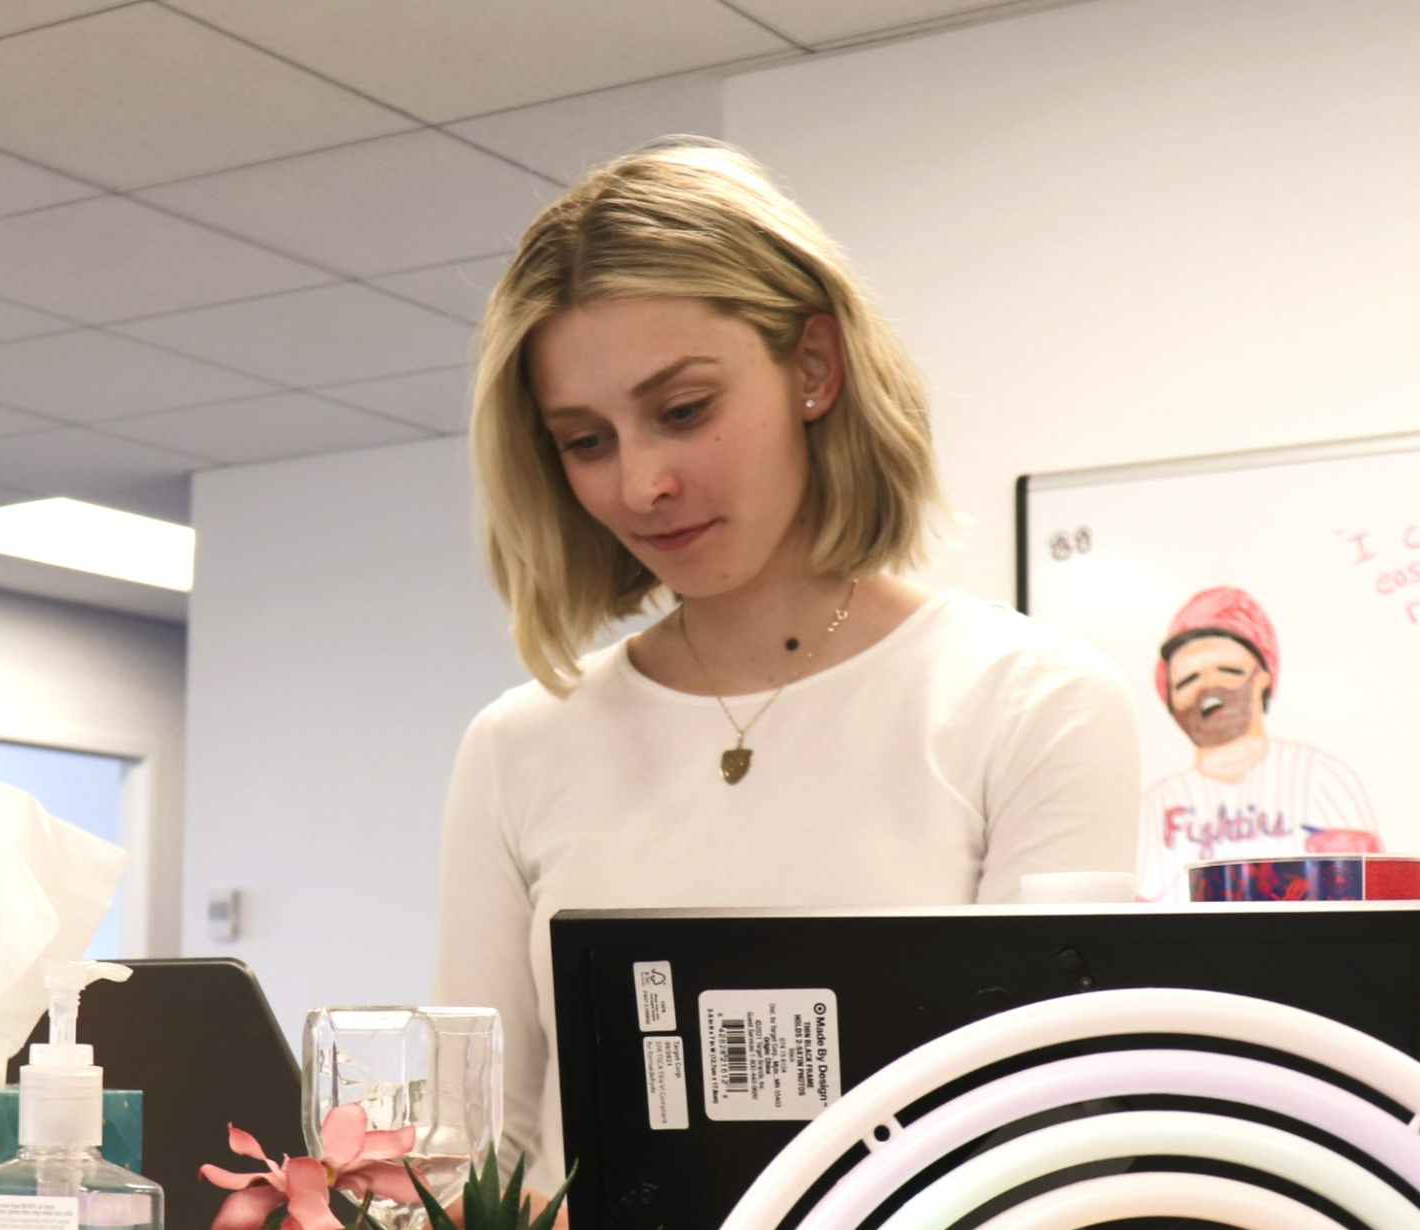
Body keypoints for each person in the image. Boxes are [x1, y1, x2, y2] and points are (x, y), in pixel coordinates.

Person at [432, 138, 1140, 1197]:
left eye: (682, 412)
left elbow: (1048, 1151)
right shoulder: (518, 746)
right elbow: (467, 1167)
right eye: (583, 441)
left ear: (812, 368)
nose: (642, 484)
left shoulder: (1027, 704)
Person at [1136, 586, 1381, 902]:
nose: (1209, 687)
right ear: (1169, 697)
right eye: (1187, 680)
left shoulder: (1321, 777)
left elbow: (1368, 901)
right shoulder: (1154, 805)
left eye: (1229, 671)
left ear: (1264, 674)